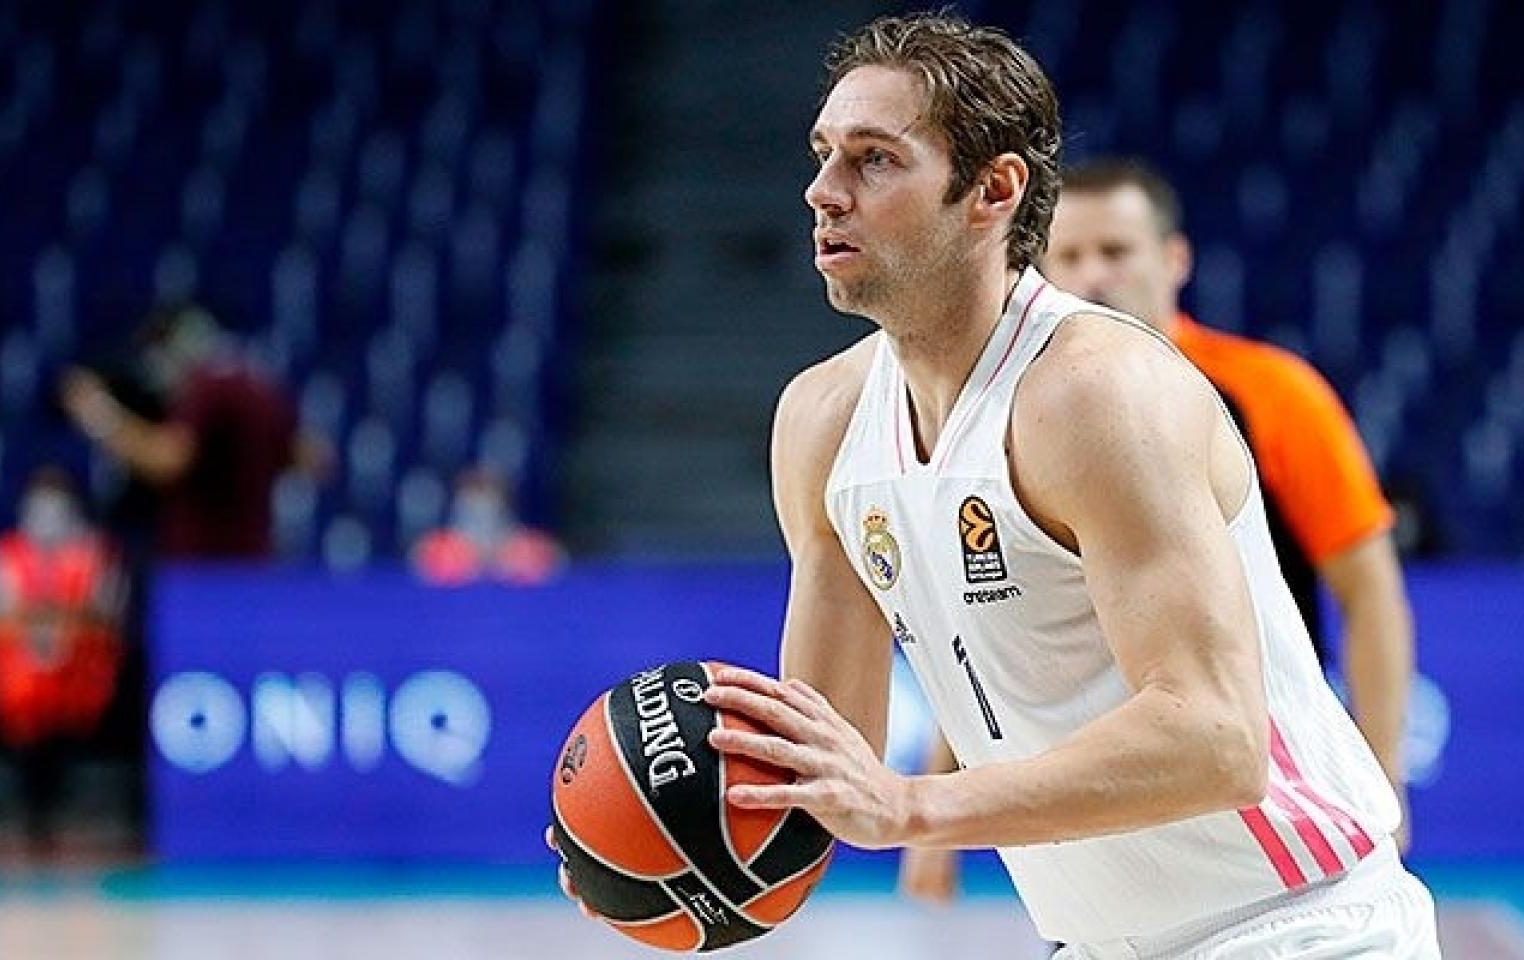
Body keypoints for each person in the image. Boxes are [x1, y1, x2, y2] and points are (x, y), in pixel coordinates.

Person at [556, 13, 1441, 957]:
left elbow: (1215, 742)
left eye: (874, 160)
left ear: (993, 190)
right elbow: (830, 775)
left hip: (1293, 925)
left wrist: (916, 804)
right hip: (1098, 943)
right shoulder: (821, 421)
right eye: (822, 155)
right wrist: (647, 853)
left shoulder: (1101, 392)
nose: (823, 192)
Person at [899, 158, 1418, 902]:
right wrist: (938, 791)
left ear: (1174, 260)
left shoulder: (1274, 396)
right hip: (1099, 807)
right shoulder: (1012, 415)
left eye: (1116, 251)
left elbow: (1369, 593)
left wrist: (1385, 762)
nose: (1093, 275)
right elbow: (999, 630)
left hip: (1254, 791)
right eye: (1069, 256)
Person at [60, 303, 314, 560]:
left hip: (202, 565)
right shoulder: (258, 385)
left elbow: (169, 460)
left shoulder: (209, 387)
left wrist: (97, 413)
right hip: (254, 561)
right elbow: (313, 458)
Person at [0, 466, 124, 851]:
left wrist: (60, 624)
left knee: (72, 689)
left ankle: (60, 809)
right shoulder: (6, 552)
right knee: (19, 688)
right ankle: (32, 812)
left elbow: (104, 617)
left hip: (82, 665)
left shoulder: (95, 553)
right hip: (22, 665)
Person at [411, 466, 565, 585]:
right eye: (470, 505)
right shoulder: (435, 548)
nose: (480, 509)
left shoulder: (530, 549)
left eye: (489, 500)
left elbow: (557, 571)